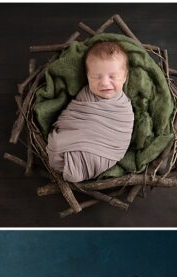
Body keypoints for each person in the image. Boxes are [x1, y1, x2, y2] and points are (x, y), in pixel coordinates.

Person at [46, 41, 135, 183]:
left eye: (113, 76)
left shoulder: (123, 108)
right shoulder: (85, 94)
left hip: (106, 151)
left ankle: (76, 165)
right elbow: (72, 117)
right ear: (87, 77)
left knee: (66, 159)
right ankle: (70, 161)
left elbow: (121, 134)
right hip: (73, 144)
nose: (105, 83)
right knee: (58, 146)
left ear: (125, 77)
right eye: (96, 77)